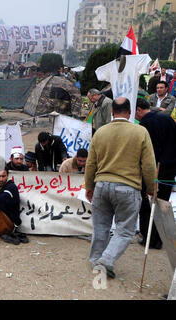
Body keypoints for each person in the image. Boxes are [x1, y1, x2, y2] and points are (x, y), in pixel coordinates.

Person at [84, 97, 156, 279]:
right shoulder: (140, 132)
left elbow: (90, 163)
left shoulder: (100, 132)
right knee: (125, 230)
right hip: (128, 188)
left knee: (100, 226)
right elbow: (148, 165)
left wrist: (89, 186)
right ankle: (106, 261)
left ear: (112, 112)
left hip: (101, 185)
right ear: (130, 112)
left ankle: (95, 261)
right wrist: (150, 187)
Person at [135, 98, 176, 249]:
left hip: (154, 169)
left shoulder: (144, 126)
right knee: (162, 204)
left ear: (139, 109)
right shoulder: (167, 119)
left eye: (135, 113)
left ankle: (149, 239)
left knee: (147, 204)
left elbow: (145, 153)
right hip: (170, 169)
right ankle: (159, 238)